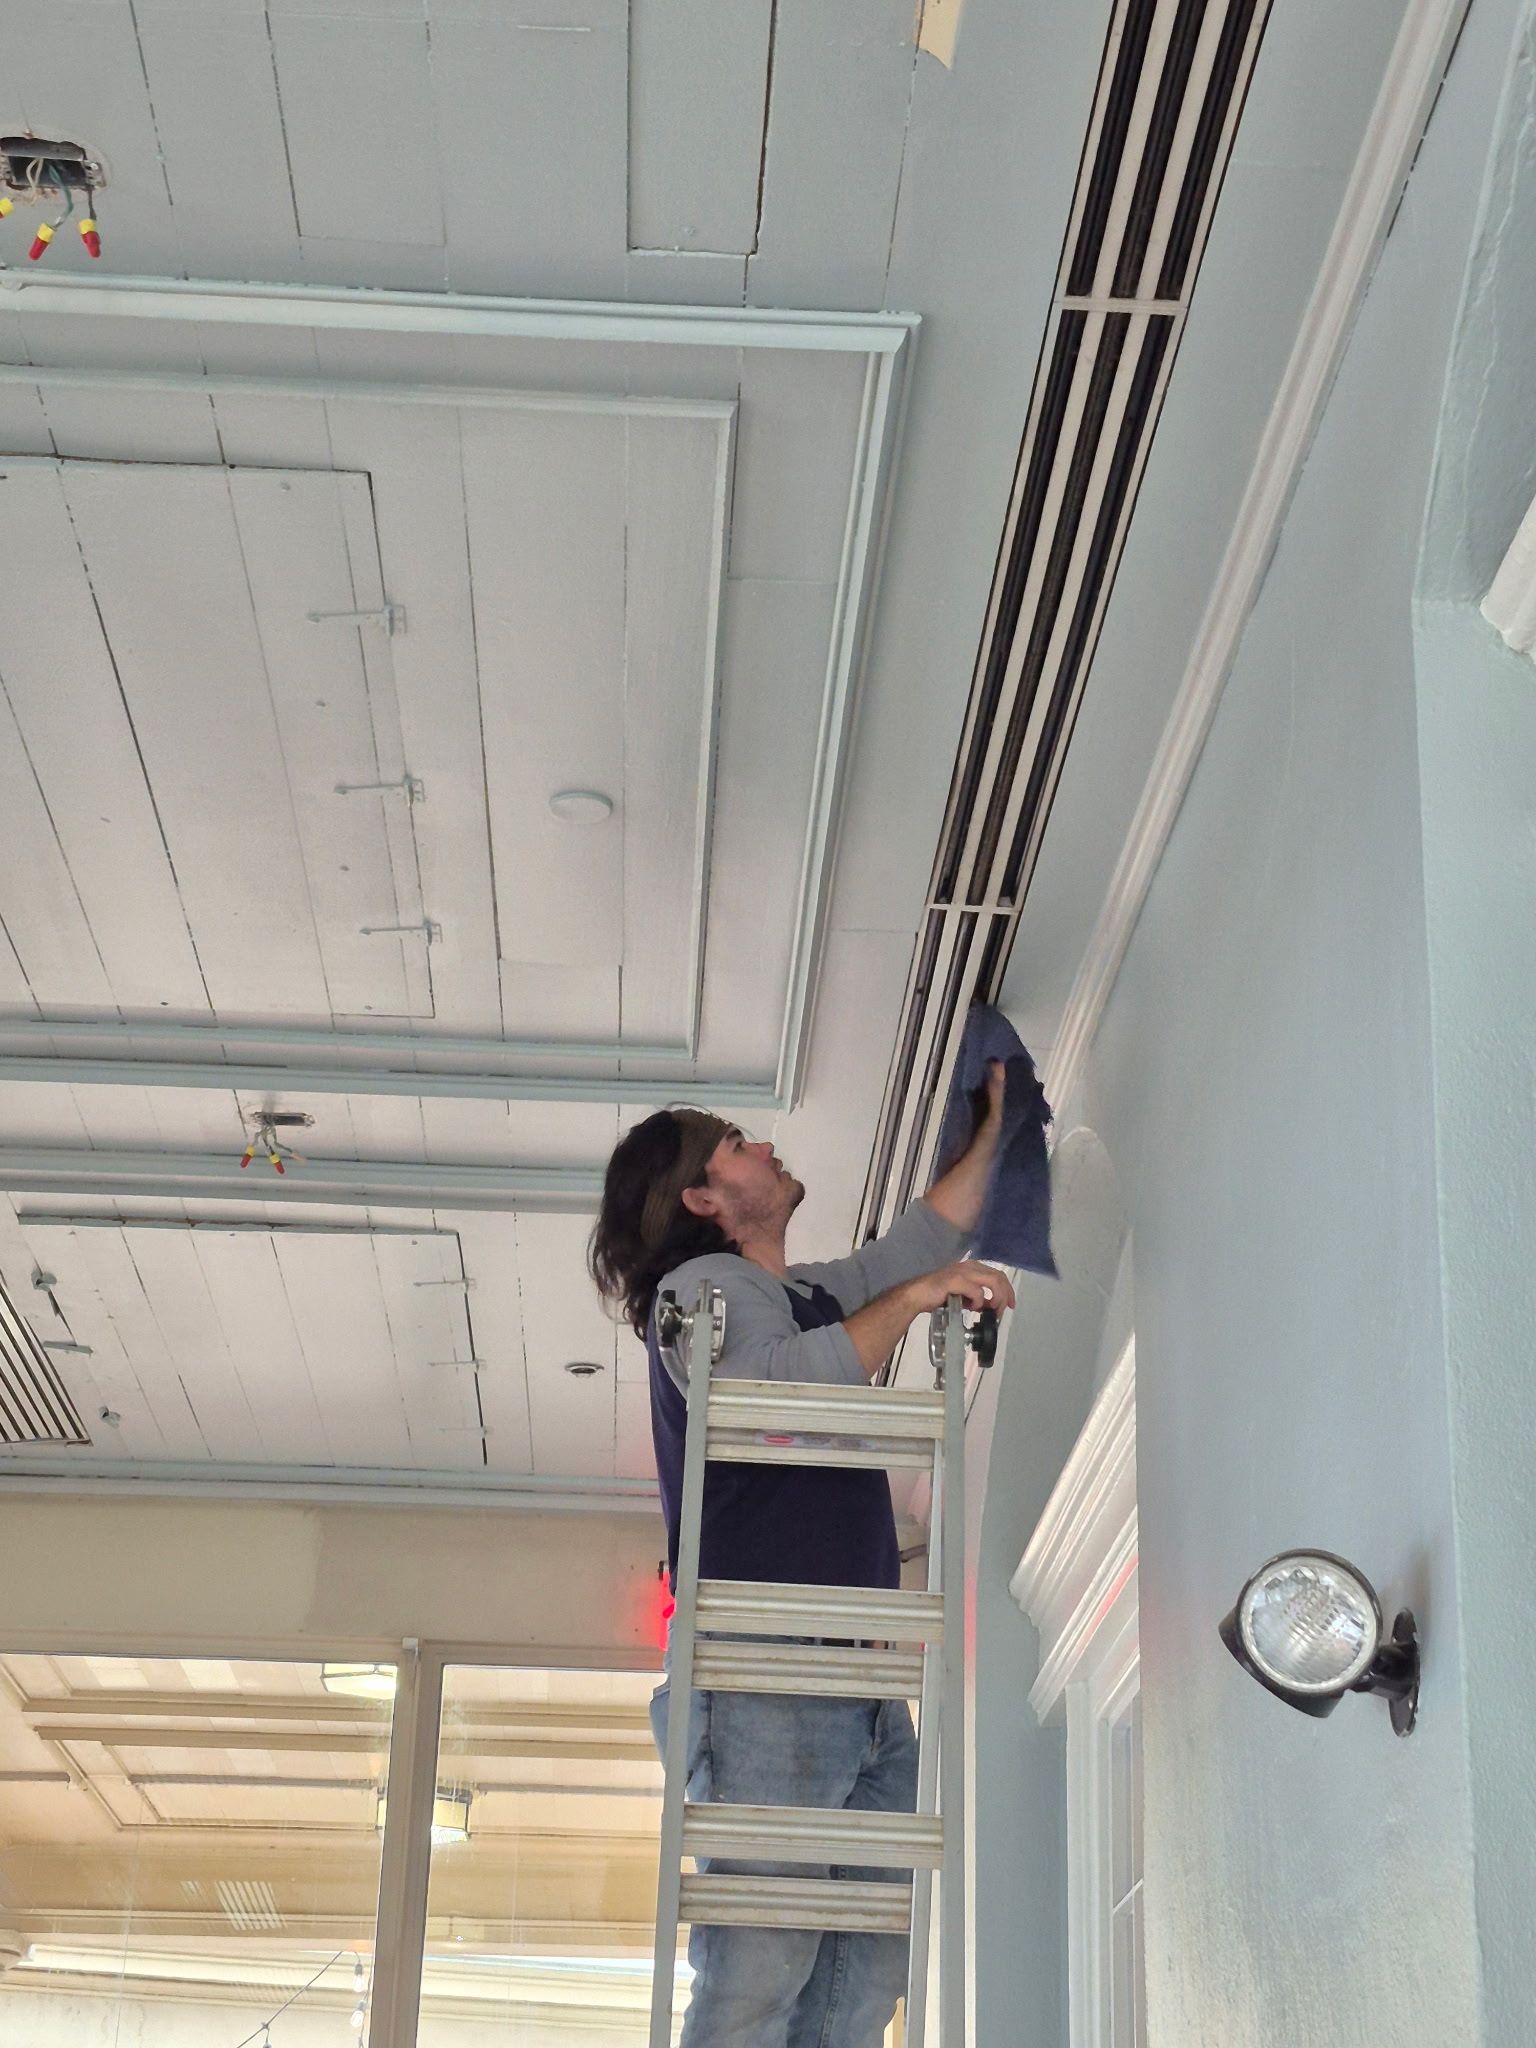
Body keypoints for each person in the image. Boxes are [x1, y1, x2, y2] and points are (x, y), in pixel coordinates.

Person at [588, 1066, 1016, 2048]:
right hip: (768, 1672)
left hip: (848, 1672)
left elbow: (917, 1245)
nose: (766, 1146)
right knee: (763, 1963)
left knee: (864, 1968)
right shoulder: (698, 1291)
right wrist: (915, 1297)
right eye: (737, 1144)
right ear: (703, 1198)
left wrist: (996, 1132)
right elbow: (770, 1401)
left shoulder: (798, 1296)